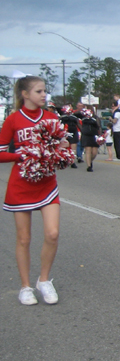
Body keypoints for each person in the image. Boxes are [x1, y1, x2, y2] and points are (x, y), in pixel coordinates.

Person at [0, 76, 65, 305]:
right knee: (24, 239)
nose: (44, 95)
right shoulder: (13, 120)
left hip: (47, 184)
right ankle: (25, 286)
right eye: (38, 91)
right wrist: (23, 155)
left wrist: (61, 149)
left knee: (52, 233)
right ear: (25, 94)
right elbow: (0, 153)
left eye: (45, 90)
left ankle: (44, 280)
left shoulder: (50, 117)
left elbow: (61, 144)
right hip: (21, 186)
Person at [79, 107, 100, 172]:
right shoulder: (83, 119)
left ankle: (90, 161)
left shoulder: (96, 118)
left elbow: (99, 126)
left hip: (94, 135)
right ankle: (89, 166)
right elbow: (79, 124)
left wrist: (100, 135)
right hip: (86, 135)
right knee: (88, 150)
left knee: (94, 152)